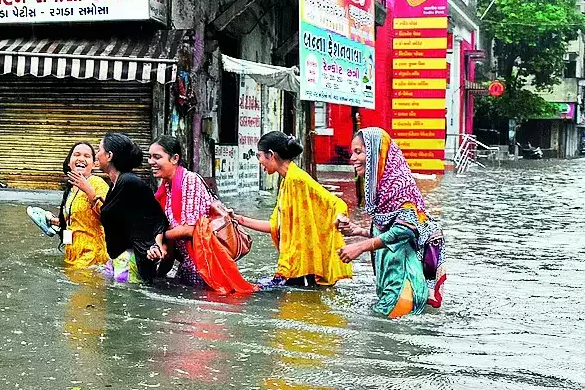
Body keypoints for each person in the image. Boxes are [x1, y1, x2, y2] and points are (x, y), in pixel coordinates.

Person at [336, 128, 447, 318]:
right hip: (390, 286)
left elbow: (406, 230)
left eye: (359, 152)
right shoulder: (383, 190)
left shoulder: (399, 186)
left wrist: (361, 247)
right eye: (352, 153)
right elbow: (390, 230)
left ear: (376, 155)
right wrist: (359, 231)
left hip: (402, 290)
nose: (352, 159)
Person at [232, 131, 352, 288]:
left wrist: (340, 217)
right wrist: (238, 219)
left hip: (303, 267)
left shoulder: (297, 179)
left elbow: (335, 203)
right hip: (296, 266)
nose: (259, 161)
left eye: (259, 155)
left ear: (270, 155)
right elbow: (275, 226)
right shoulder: (287, 182)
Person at [147, 136, 256, 295]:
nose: (151, 162)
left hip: (206, 266)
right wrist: (156, 277)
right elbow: (171, 248)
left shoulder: (190, 180)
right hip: (189, 267)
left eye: (157, 157)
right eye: (149, 157)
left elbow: (191, 230)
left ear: (175, 158)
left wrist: (159, 237)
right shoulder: (165, 190)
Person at [96, 133, 167, 283]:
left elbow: (156, 219)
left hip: (133, 260)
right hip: (120, 257)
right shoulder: (116, 184)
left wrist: (156, 245)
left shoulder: (129, 182)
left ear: (109, 155)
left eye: (99, 150)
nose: (96, 155)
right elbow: (127, 218)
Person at [46, 142, 110, 269]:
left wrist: (89, 191)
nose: (81, 158)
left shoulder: (98, 184)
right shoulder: (71, 188)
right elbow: (75, 223)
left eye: (87, 156)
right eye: (77, 154)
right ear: (69, 162)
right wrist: (58, 222)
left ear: (94, 163)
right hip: (72, 255)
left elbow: (109, 218)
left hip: (91, 256)